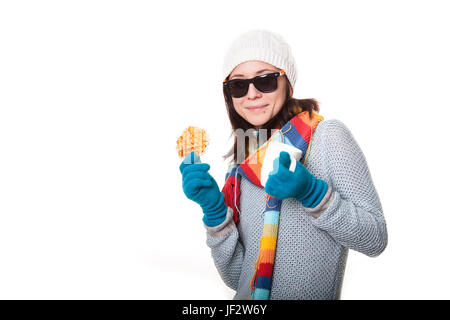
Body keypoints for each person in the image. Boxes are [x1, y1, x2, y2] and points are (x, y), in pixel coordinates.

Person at [179, 30, 388, 300]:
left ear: (287, 84)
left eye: (265, 80)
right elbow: (239, 278)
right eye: (239, 85)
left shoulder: (327, 137)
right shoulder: (244, 165)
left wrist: (312, 193)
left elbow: (375, 239)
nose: (252, 94)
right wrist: (215, 211)